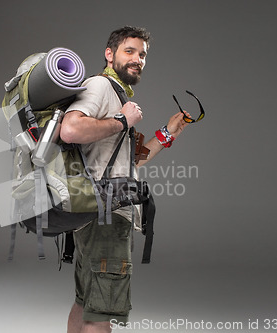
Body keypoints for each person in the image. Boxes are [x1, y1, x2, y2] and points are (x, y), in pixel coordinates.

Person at [60, 26, 190, 333]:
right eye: (129, 51)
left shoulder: (116, 93)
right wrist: (122, 120)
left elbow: (128, 161)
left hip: (93, 211)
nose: (137, 59)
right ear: (110, 54)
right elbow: (70, 130)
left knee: (86, 302)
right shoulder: (100, 86)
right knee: (100, 311)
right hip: (106, 214)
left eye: (142, 54)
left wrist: (168, 133)